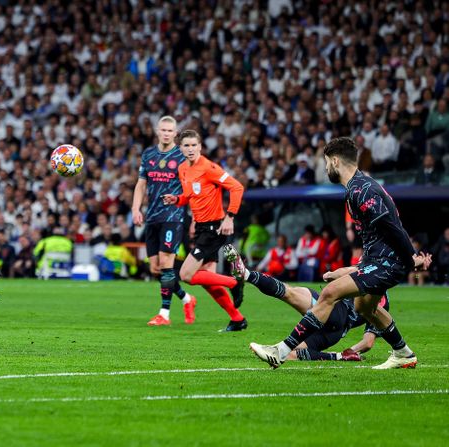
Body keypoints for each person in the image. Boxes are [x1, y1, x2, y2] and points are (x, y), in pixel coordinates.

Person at [250, 137, 432, 369]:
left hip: (387, 261)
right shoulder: (357, 188)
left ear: (335, 161)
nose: (326, 168)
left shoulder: (361, 190)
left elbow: (393, 227)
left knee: (330, 292)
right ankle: (403, 354)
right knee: (364, 308)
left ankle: (282, 350)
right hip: (379, 259)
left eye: (326, 163)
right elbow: (380, 231)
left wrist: (409, 259)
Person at [226, 245, 385, 361]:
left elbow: (348, 271)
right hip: (334, 332)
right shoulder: (385, 303)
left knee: (290, 293)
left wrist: (331, 274)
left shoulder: (366, 271)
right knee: (292, 354)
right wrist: (350, 351)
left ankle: (246, 274)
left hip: (335, 310)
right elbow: (368, 342)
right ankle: (338, 357)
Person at [162, 129, 247, 332]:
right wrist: (177, 200)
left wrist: (230, 216)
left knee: (186, 275)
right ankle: (237, 319)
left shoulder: (209, 167)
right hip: (201, 228)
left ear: (200, 146)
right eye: (186, 145)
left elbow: (237, 187)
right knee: (208, 282)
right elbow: (190, 195)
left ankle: (235, 282)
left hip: (214, 228)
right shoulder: (183, 168)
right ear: (180, 147)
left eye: (194, 145)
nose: (190, 149)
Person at [132, 116, 196, 326]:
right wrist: (136, 209)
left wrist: (194, 217)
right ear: (157, 131)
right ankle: (187, 299)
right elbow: (141, 184)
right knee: (156, 269)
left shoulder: (182, 156)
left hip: (173, 217)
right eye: (163, 130)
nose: (167, 133)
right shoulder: (149, 154)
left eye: (170, 130)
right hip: (152, 217)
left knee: (167, 263)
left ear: (176, 133)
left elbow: (192, 188)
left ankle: (164, 314)